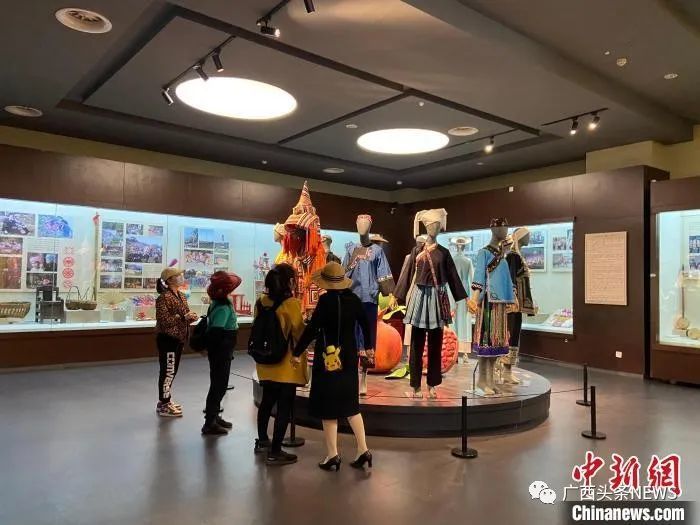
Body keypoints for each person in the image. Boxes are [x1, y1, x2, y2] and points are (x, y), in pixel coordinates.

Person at [293, 261, 373, 471]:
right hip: (348, 356)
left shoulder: (325, 301)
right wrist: (369, 346)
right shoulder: (354, 300)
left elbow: (312, 329)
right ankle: (363, 450)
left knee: (328, 407)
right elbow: (365, 324)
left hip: (327, 356)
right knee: (351, 404)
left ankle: (332, 455)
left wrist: (297, 351)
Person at [255, 263, 308, 466]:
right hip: (285, 365)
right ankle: (276, 451)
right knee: (284, 407)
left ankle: (262, 441)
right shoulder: (291, 304)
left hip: (264, 362)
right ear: (289, 282)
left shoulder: (261, 302)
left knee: (266, 402)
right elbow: (299, 333)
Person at [155, 268, 199, 417]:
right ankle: (164, 403)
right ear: (169, 280)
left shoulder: (181, 295)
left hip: (179, 339)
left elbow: (184, 315)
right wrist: (182, 318)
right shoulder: (163, 298)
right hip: (168, 339)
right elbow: (164, 321)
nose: (181, 277)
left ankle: (165, 400)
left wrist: (190, 317)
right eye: (178, 275)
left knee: (172, 371)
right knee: (168, 371)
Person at [202, 270, 242, 435]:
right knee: (219, 385)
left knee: (218, 384)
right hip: (221, 350)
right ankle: (210, 422)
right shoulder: (223, 307)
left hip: (221, 350)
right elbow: (216, 332)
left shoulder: (218, 304)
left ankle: (214, 416)